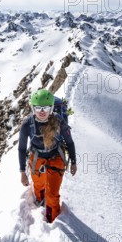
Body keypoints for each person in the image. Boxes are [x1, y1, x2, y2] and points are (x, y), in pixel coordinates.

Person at [18, 89, 77, 223]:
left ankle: (51, 217)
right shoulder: (27, 123)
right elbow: (21, 148)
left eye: (45, 108)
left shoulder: (59, 121)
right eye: (38, 108)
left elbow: (69, 142)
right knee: (38, 185)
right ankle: (39, 199)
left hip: (56, 157)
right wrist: (22, 172)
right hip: (37, 156)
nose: (42, 111)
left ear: (51, 108)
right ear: (33, 108)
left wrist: (73, 162)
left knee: (52, 194)